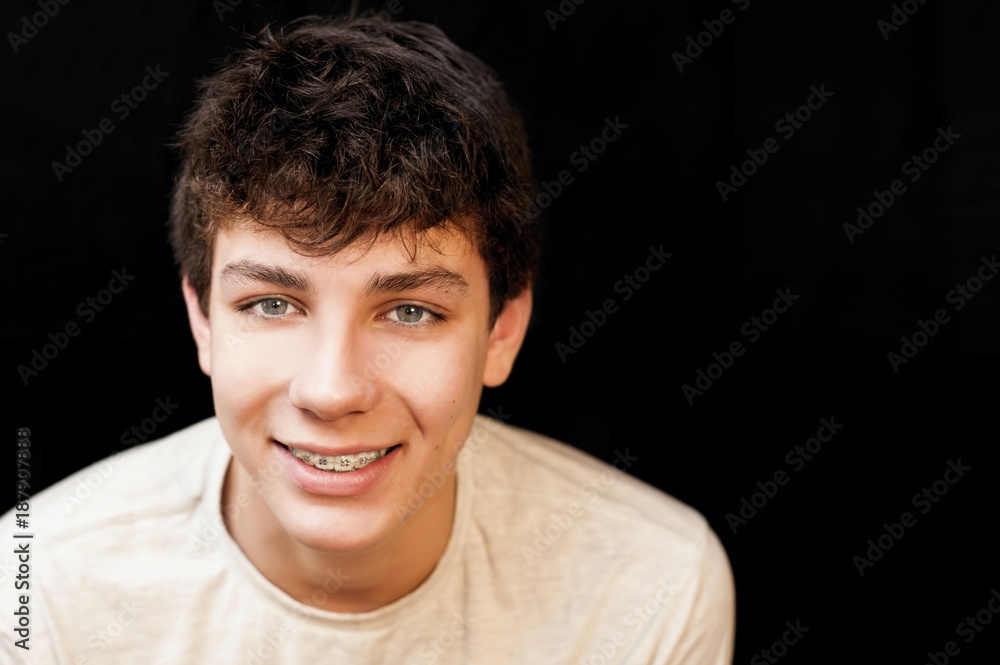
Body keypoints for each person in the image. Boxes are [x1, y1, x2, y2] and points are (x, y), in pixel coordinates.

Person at [2, 14, 734, 664]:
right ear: (203, 322)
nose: (331, 391)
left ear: (502, 331)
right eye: (271, 304)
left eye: (410, 311)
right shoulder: (42, 589)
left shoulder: (653, 585)